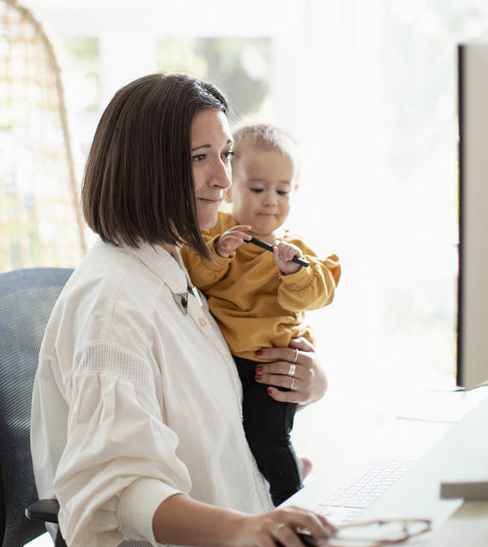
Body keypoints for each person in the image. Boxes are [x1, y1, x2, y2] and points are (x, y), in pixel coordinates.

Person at [30, 73, 336, 547]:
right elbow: (119, 493)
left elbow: (208, 420)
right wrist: (247, 528)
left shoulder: (181, 269)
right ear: (144, 168)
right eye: (199, 158)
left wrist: (306, 379)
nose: (224, 177)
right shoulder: (113, 307)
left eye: (226, 154)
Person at [181, 123, 341, 507]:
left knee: (268, 436)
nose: (270, 200)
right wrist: (220, 251)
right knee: (233, 438)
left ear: (294, 192)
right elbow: (197, 273)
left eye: (282, 191)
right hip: (228, 359)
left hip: (271, 361)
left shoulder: (291, 249)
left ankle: (293, 502)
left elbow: (321, 292)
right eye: (257, 189)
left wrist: (294, 272)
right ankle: (283, 478)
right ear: (230, 185)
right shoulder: (213, 231)